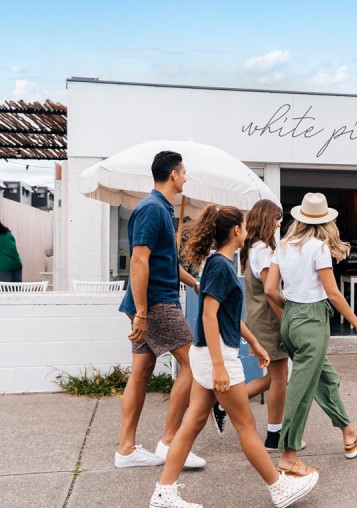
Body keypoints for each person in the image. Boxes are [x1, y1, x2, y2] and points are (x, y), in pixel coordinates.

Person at [149, 205, 318, 508]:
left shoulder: (224, 264)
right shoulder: (219, 266)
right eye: (243, 225)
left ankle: (164, 492)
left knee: (192, 424)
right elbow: (209, 317)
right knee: (246, 427)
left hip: (213, 354)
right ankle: (278, 487)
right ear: (235, 231)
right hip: (218, 356)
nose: (247, 229)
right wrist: (219, 366)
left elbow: (228, 314)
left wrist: (254, 342)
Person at [265, 192, 357, 477]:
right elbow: (333, 294)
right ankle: (288, 457)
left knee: (325, 379)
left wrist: (289, 310)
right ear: (326, 222)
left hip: (290, 318)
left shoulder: (284, 246)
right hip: (312, 321)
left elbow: (269, 290)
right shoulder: (318, 248)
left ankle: (349, 434)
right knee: (300, 390)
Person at [115, 151, 206, 470]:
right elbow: (139, 260)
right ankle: (170, 443)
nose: (186, 177)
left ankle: (126, 450)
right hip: (155, 303)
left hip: (150, 302)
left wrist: (194, 282)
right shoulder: (153, 209)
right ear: (173, 175)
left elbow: (164, 261)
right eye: (184, 172)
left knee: (140, 372)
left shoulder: (159, 209)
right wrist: (142, 312)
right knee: (193, 365)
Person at [214, 199, 293, 450]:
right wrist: (286, 321)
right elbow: (271, 292)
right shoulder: (264, 253)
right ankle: (274, 436)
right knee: (280, 378)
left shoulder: (252, 250)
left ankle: (223, 403)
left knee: (275, 377)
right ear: (267, 220)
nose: (279, 224)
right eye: (277, 219)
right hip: (269, 321)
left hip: (257, 319)